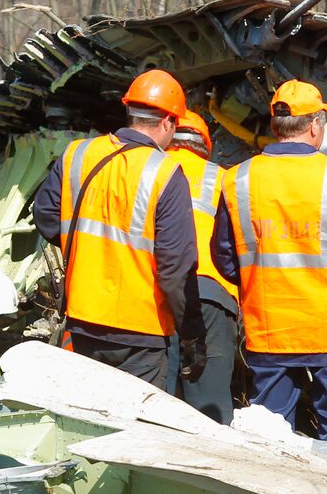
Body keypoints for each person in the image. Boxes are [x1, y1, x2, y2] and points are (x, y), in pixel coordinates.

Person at [212, 80, 327, 441]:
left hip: (270, 328)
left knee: (269, 436)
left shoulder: (237, 180)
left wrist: (257, 282)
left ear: (276, 127)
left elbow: (223, 257)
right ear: (316, 125)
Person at [31, 70, 205, 389]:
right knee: (137, 428)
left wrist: (86, 251)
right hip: (142, 331)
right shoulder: (166, 173)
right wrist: (192, 332)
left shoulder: (77, 154)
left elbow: (45, 216)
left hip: (83, 320)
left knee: (89, 422)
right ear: (168, 121)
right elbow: (175, 268)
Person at [168, 109, 238, 423]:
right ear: (205, 146)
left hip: (155, 294)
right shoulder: (224, 179)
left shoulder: (147, 170)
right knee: (210, 408)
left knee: (150, 397)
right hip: (212, 294)